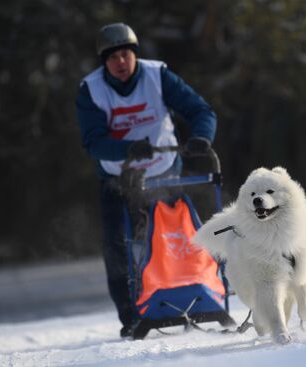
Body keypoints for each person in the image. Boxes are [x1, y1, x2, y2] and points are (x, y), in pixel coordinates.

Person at [75, 23, 217, 337]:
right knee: (117, 246)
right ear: (104, 62)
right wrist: (128, 148)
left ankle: (198, 298)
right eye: (113, 58)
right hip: (117, 178)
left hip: (164, 172)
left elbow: (201, 110)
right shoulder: (92, 89)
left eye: (125, 54)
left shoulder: (157, 75)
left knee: (178, 238)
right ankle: (132, 316)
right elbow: (92, 142)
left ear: (134, 54)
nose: (121, 63)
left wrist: (201, 139)